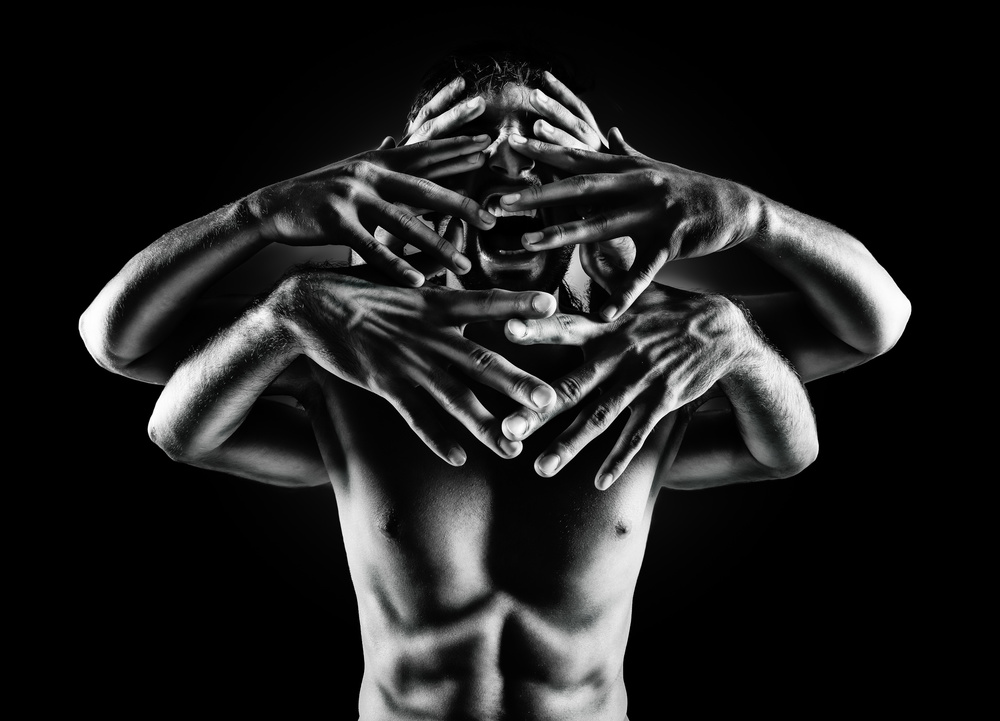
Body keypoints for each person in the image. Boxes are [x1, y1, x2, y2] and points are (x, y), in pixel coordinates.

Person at [79, 44, 910, 721]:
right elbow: (114, 341)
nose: (509, 180)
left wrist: (752, 217)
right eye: (471, 151)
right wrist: (265, 226)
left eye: (544, 150)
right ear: (407, 175)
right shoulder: (353, 338)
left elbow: (876, 323)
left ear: (604, 175)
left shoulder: (658, 346)